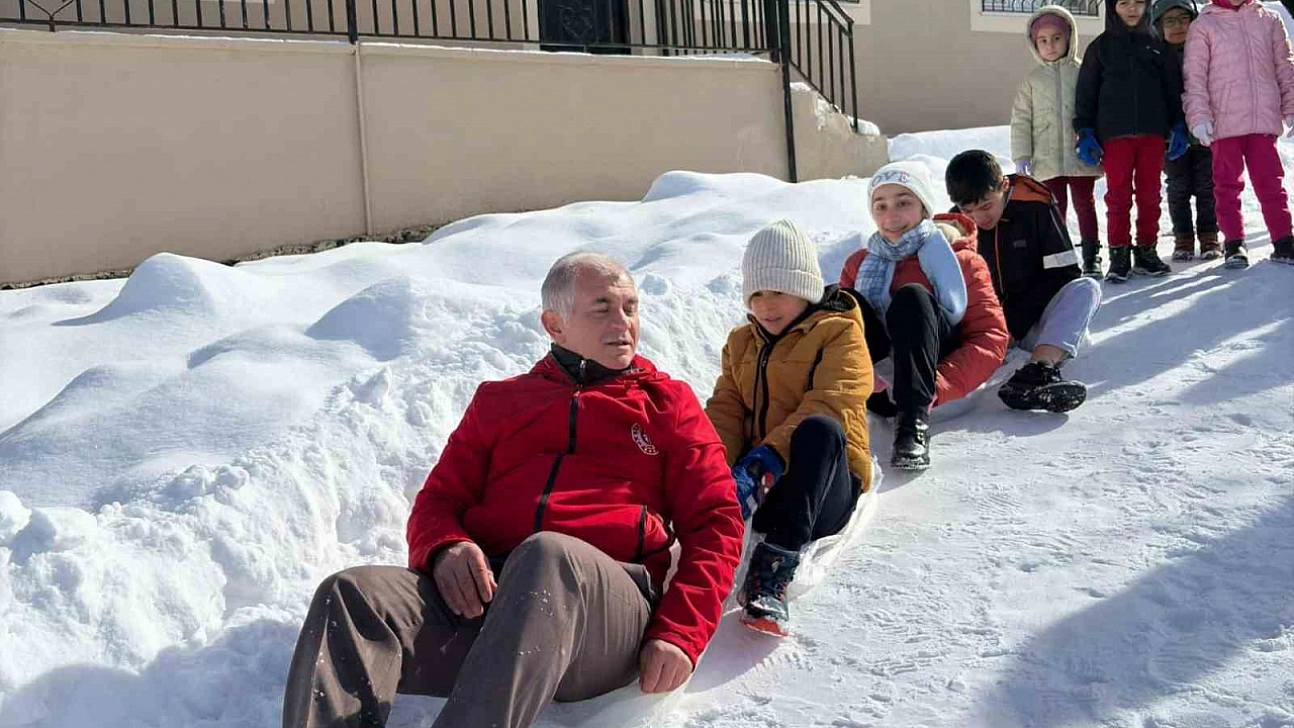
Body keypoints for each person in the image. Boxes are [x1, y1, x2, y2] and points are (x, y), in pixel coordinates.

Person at [281, 253, 745, 728]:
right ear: (554, 324)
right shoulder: (500, 402)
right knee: (353, 594)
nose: (623, 323)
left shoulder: (668, 405)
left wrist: (681, 632)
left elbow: (717, 522)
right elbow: (438, 501)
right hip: (492, 602)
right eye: (603, 307)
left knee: (548, 555)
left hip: (603, 619)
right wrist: (446, 547)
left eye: (631, 308)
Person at [705, 220, 873, 637]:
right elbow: (726, 407)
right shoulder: (741, 342)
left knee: (820, 427)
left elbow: (831, 401)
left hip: (822, 487)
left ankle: (773, 570)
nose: (766, 304)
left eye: (778, 291)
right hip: (764, 483)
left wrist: (768, 456)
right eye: (757, 294)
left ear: (806, 289)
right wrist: (713, 467)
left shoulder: (841, 334)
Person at [840, 161, 1009, 470]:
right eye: (881, 205)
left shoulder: (959, 260)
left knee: (912, 297)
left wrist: (937, 386)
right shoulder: (858, 264)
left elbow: (990, 338)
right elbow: (839, 337)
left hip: (934, 390)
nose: (891, 215)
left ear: (924, 207)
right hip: (878, 389)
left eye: (903, 202)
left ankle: (912, 428)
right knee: (842, 303)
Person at [946, 150, 1102, 413]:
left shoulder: (1036, 206)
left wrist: (1015, 326)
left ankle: (1038, 371)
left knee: (1087, 289)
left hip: (1033, 325)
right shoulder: (956, 227)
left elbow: (1064, 274)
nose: (979, 218)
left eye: (986, 206)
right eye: (968, 210)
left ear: (1004, 187)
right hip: (987, 332)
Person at [1074, 0, 1188, 282]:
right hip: (1114, 135)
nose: (1132, 8)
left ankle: (1147, 252)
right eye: (1125, 2)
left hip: (1152, 133)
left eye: (1138, 2)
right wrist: (1085, 130)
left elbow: (1173, 89)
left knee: (1150, 194)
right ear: (1114, 7)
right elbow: (1086, 93)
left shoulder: (1158, 45)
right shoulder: (1099, 48)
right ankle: (1119, 254)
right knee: (1118, 196)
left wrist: (1179, 124)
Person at [1184, 0, 1294, 268]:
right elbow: (1194, 76)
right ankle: (1234, 243)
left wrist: (1291, 106)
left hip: (1262, 119)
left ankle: (1284, 240)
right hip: (1225, 121)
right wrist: (1199, 116)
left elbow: (1285, 67)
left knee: (1271, 183)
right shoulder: (1204, 24)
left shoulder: (1269, 19)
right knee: (1226, 185)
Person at [1010, 5, 1106, 278]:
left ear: (1069, 38)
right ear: (1034, 44)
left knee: (1085, 205)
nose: (1050, 45)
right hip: (1047, 158)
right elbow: (1021, 121)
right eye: (1043, 40)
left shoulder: (1083, 72)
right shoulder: (1032, 81)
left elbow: (1097, 109)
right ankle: (1059, 257)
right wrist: (1022, 155)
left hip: (1080, 156)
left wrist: (1100, 144)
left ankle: (1091, 255)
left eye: (1056, 38)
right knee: (1053, 210)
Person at [1155, 0, 1223, 261]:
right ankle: (1183, 237)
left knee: (1208, 185)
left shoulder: (1207, 51)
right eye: (1169, 21)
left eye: (1183, 19)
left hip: (1206, 132)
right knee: (1178, 186)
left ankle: (1209, 235)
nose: (1177, 26)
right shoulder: (1156, 57)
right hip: (1171, 138)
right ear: (1158, 26)